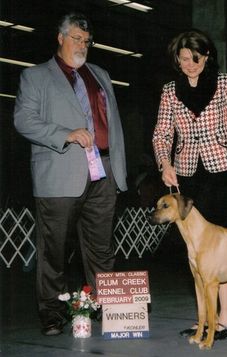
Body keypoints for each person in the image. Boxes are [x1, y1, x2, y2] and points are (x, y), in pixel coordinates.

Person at [14, 13, 127, 336]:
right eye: (76, 38)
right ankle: (51, 314)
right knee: (54, 250)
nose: (82, 45)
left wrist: (118, 169)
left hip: (103, 172)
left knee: (102, 247)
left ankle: (108, 309)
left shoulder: (101, 74)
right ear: (60, 38)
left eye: (86, 41)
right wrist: (65, 133)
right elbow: (23, 121)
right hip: (59, 174)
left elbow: (114, 126)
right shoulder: (35, 77)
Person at [152, 29, 227, 340]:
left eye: (195, 58)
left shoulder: (225, 83)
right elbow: (161, 135)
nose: (190, 64)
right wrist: (165, 164)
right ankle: (205, 321)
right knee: (196, 252)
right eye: (184, 59)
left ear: (207, 56)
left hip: (223, 172)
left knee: (222, 252)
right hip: (188, 176)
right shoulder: (170, 90)